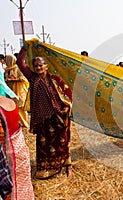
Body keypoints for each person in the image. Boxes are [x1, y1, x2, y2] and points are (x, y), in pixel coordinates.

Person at [17, 46, 73, 179]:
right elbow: (20, 63)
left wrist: (67, 106)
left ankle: (67, 166)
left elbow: (68, 93)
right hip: (42, 118)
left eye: (40, 65)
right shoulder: (33, 78)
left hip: (58, 115)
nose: (38, 68)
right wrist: (25, 48)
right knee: (43, 143)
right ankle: (45, 168)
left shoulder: (55, 79)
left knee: (62, 141)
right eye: (35, 66)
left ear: (46, 66)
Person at [0, 96, 34, 199]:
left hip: (10, 155)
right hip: (20, 149)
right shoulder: (10, 100)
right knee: (23, 186)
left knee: (15, 189)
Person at [4, 54, 30, 128]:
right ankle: (17, 123)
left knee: (21, 107)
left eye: (7, 60)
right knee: (13, 107)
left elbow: (24, 79)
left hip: (19, 90)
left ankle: (24, 123)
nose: (5, 61)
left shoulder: (18, 69)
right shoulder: (6, 70)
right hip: (10, 91)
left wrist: (14, 80)